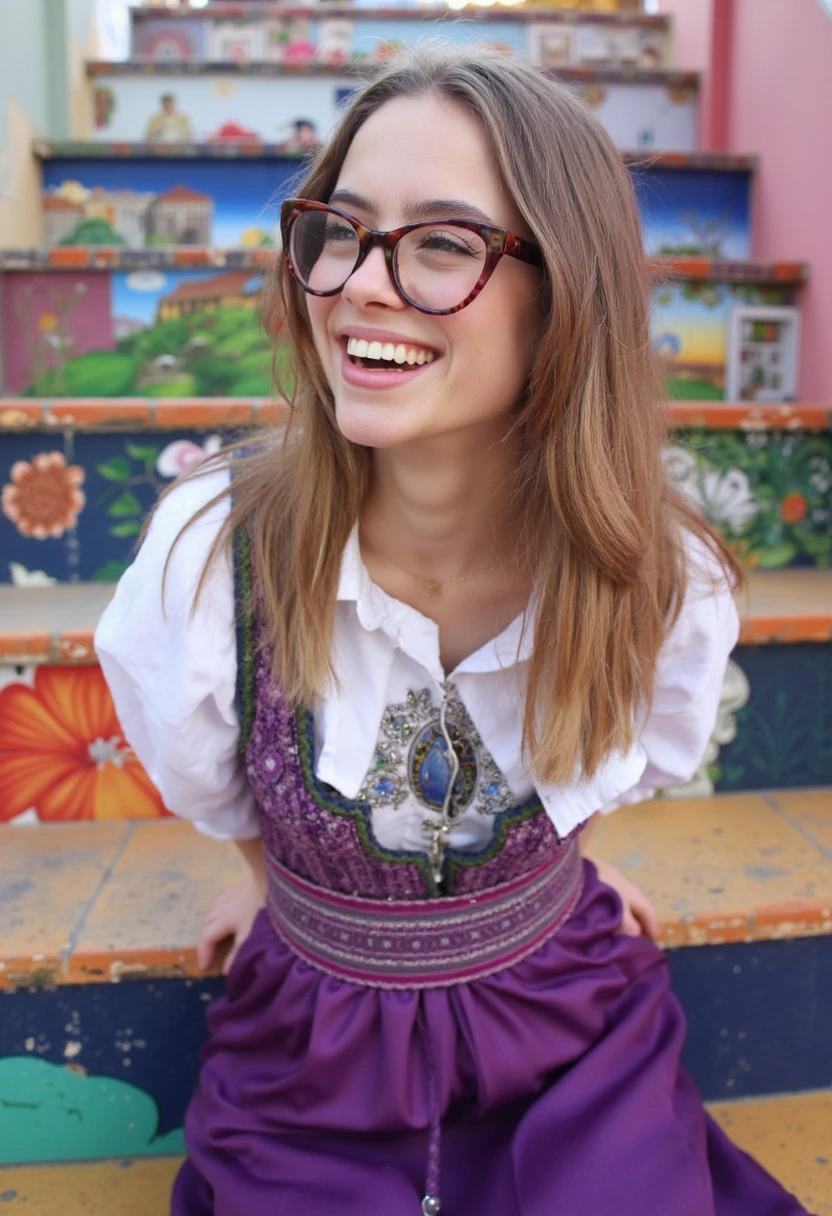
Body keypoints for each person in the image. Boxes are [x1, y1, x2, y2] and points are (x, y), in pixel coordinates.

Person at [95, 47, 812, 1216]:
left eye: (442, 242)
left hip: (565, 1016)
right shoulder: (214, 556)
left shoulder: (651, 573)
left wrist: (546, 862)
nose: (360, 285)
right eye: (341, 228)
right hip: (314, 1042)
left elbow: (625, 751)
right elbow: (223, 780)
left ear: (564, 290)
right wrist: (282, 882)